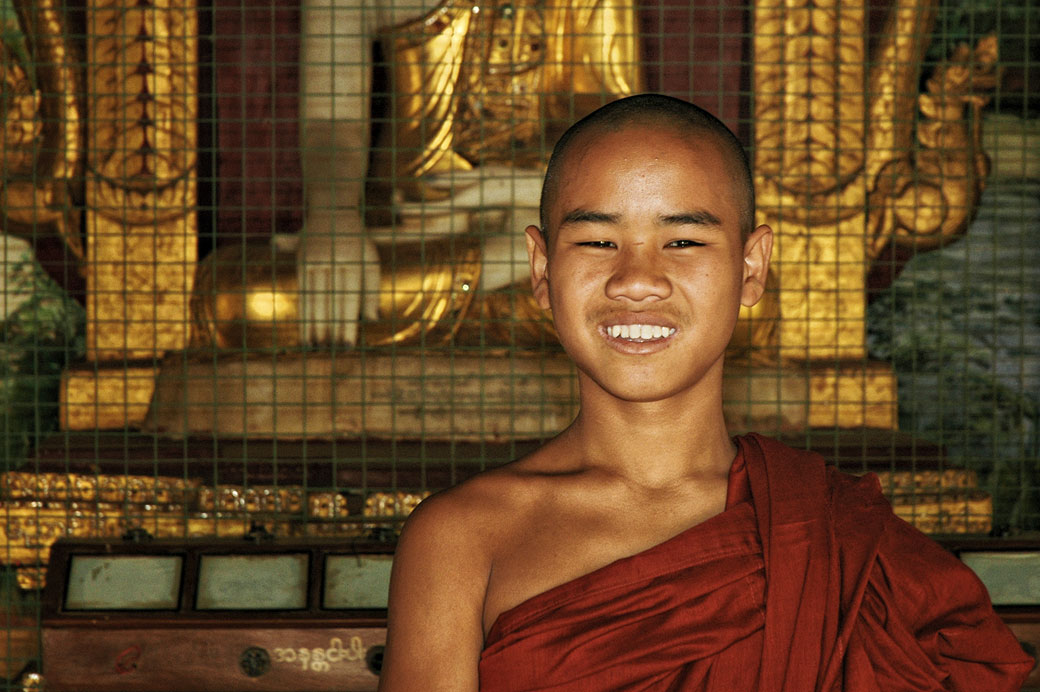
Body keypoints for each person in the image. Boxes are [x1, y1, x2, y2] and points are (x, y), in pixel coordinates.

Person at [376, 94, 1034, 691]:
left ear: (752, 268)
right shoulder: (466, 538)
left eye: (683, 240)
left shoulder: (839, 545)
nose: (637, 279)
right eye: (598, 241)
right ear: (543, 271)